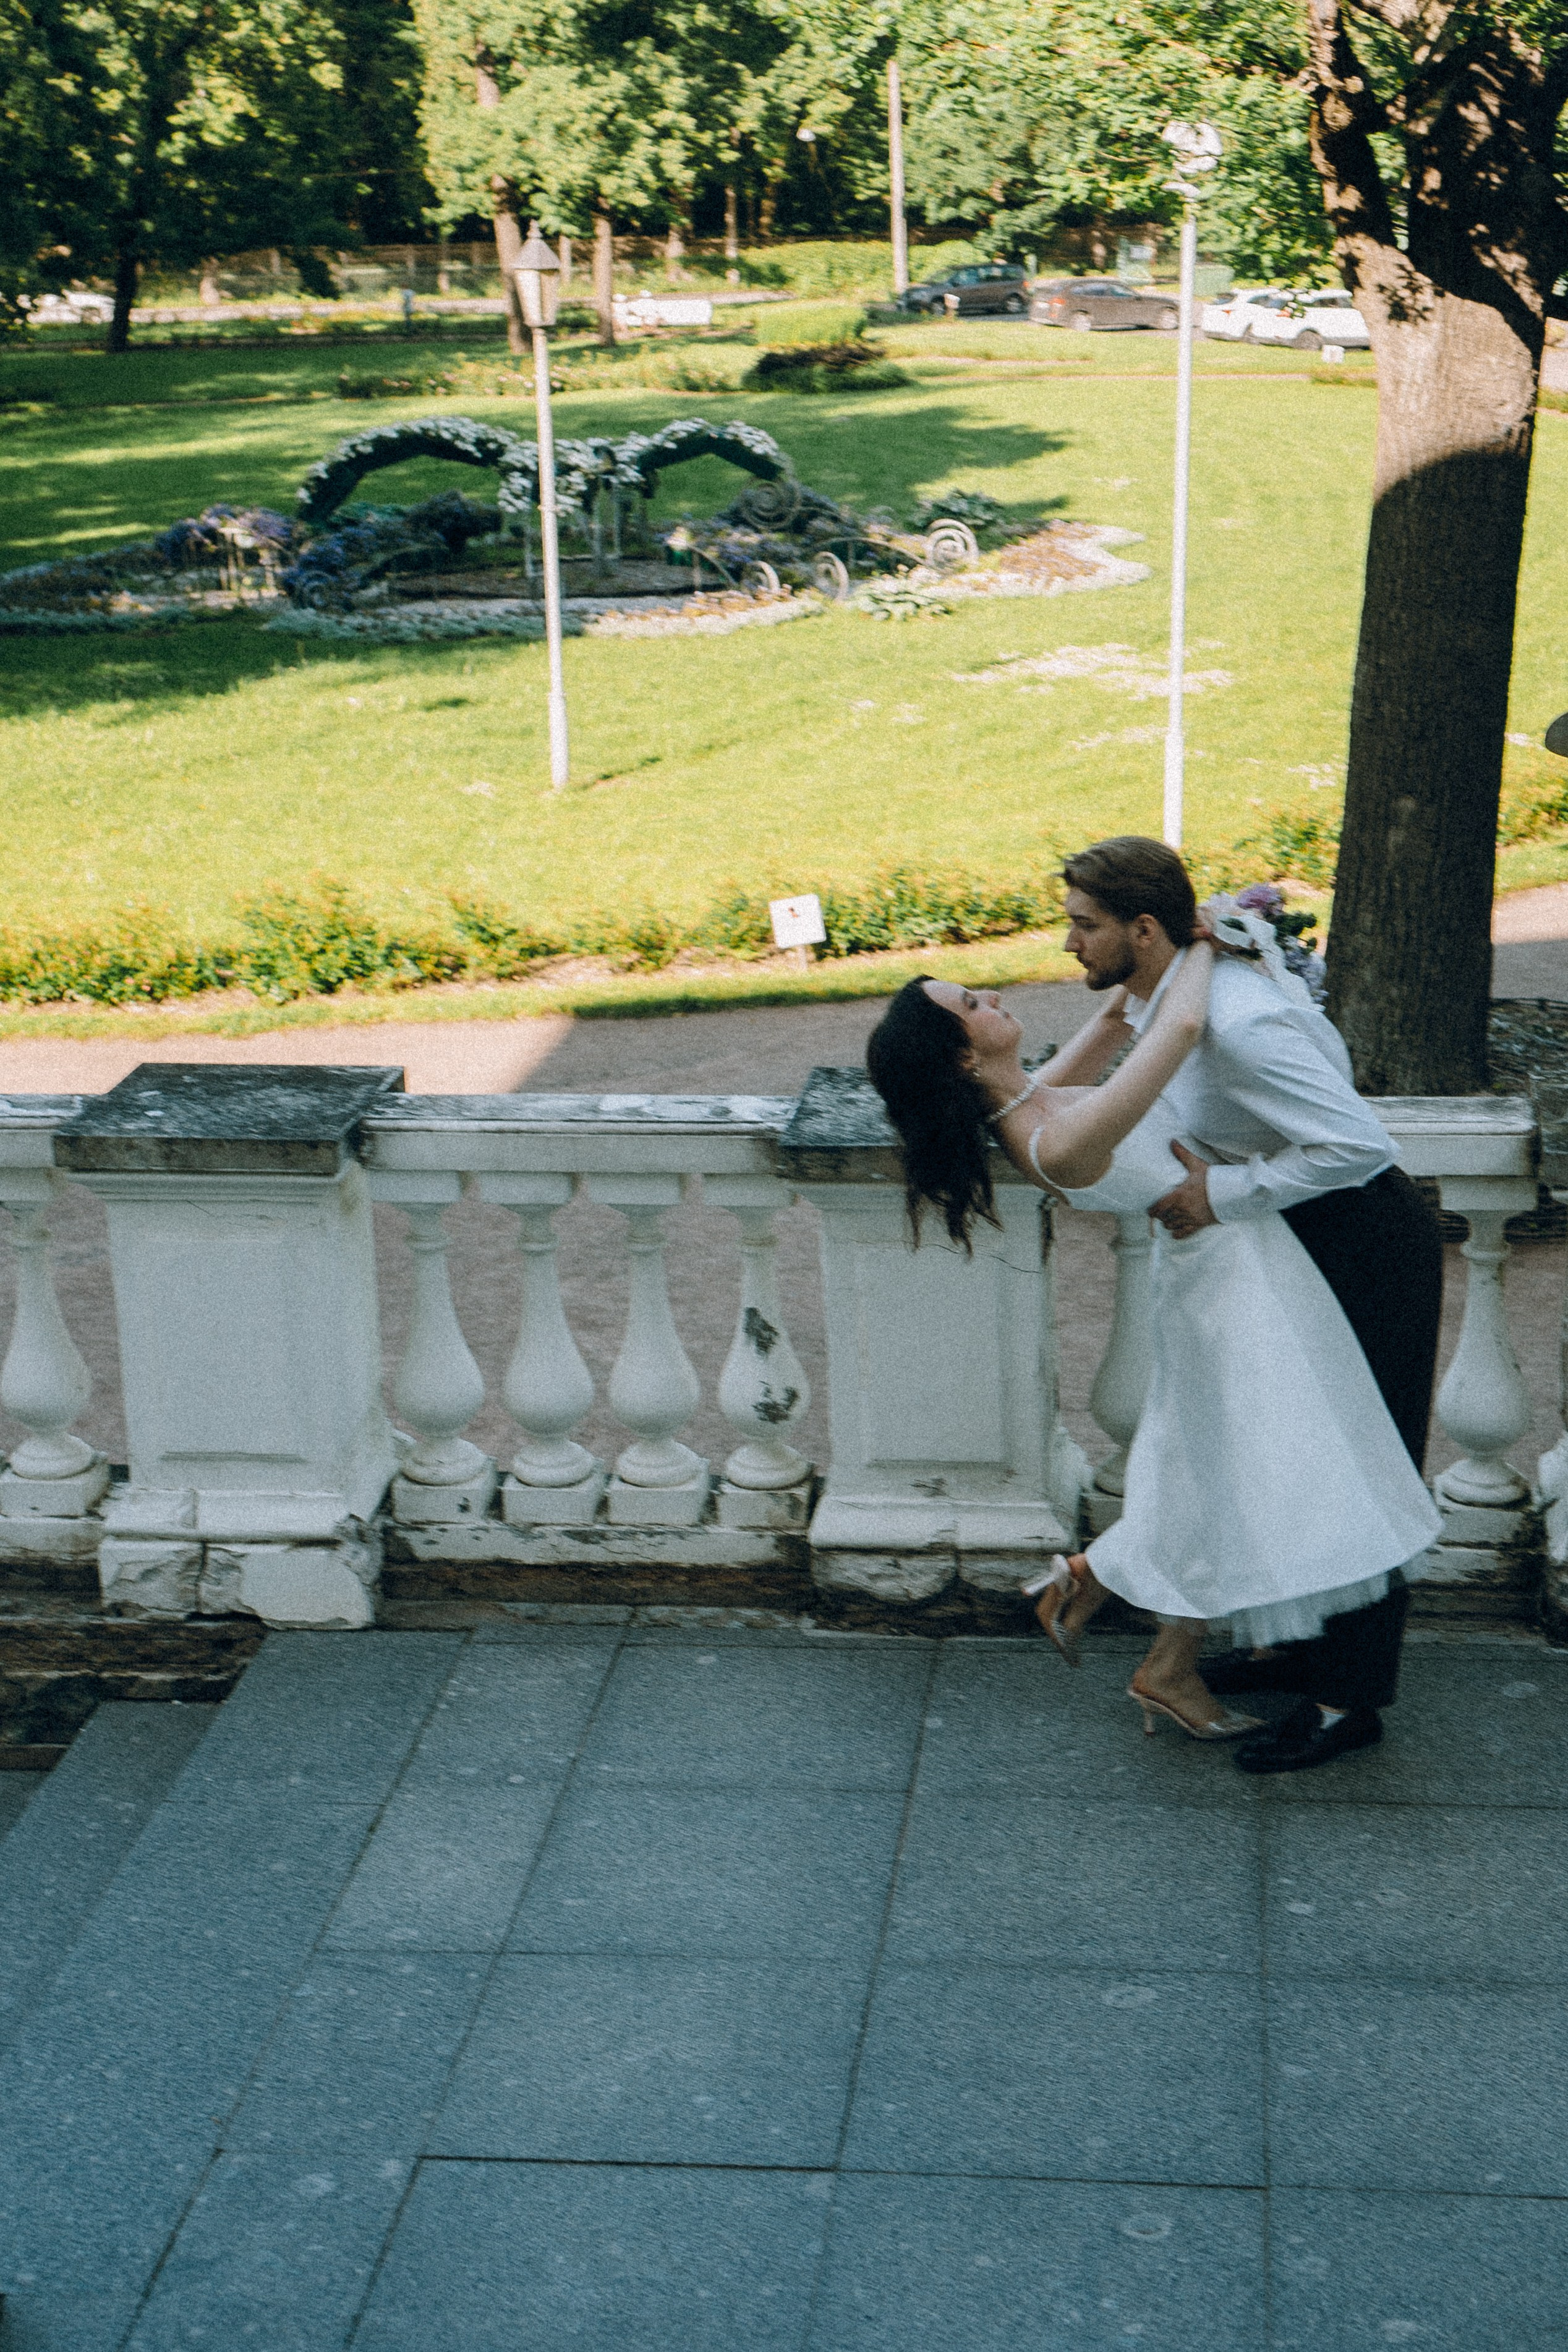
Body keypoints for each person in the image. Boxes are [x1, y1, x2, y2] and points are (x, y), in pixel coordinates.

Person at [865, 839, 1443, 1771]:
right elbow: (1170, 1033)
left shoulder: (1037, 1095)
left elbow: (1133, 1026)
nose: (1060, 948)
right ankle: (1275, 1654)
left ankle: (1334, 1690)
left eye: (1082, 925)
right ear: (965, 1056)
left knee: (1320, 1466)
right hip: (1242, 1276)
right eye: (972, 1004)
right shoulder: (1056, 1131)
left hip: (1328, 1248)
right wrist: (1205, 943)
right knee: (1281, 1469)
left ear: (1138, 931)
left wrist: (1217, 936)